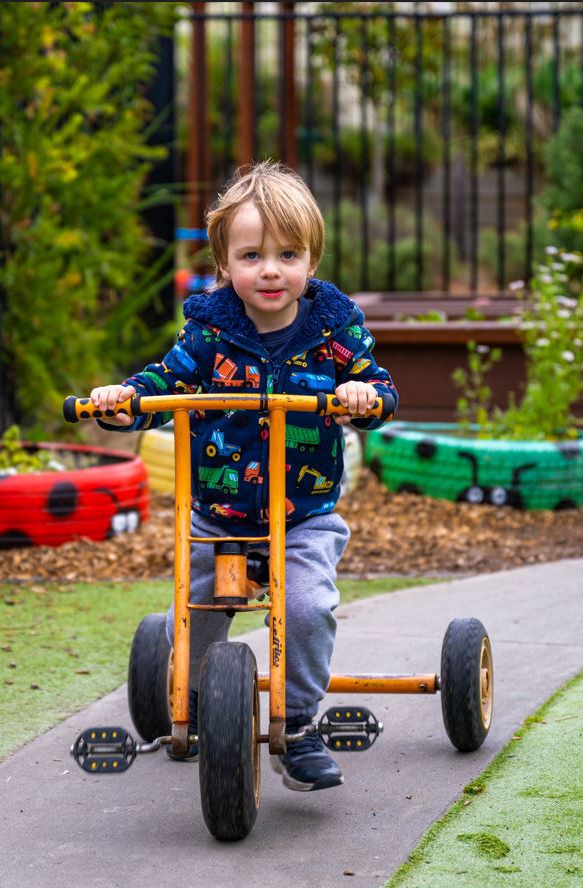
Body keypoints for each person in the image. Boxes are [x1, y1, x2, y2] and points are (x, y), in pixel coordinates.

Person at [90, 160, 399, 792]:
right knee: (196, 613)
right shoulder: (211, 330)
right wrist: (124, 397)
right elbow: (165, 380)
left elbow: (379, 386)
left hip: (304, 516)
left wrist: (364, 397)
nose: (270, 270)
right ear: (224, 264)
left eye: (288, 254)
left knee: (308, 610)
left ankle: (300, 725)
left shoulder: (334, 330)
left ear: (311, 260)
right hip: (220, 515)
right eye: (252, 255)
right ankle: (199, 700)